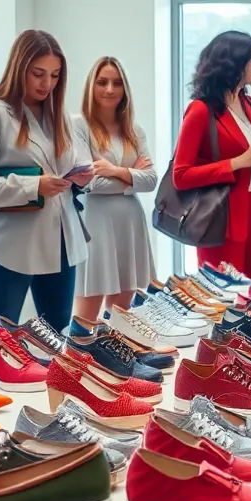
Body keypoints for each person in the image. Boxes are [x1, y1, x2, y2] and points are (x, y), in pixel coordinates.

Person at [0, 30, 94, 337]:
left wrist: (81, 179)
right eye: (38, 74)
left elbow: (76, 166)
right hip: (9, 245)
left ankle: (52, 387)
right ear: (19, 69)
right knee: (0, 342)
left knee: (57, 339)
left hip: (61, 241)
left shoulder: (61, 117)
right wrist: (33, 186)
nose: (47, 84)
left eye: (55, 75)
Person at [172, 30, 251, 279]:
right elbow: (181, 175)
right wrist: (236, 163)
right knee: (226, 299)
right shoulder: (200, 111)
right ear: (236, 64)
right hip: (222, 218)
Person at [73, 56, 157, 319]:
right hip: (93, 222)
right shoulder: (78, 125)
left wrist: (116, 171)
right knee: (85, 320)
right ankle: (81, 358)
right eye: (102, 82)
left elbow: (152, 180)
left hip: (129, 222)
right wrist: (133, 177)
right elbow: (89, 182)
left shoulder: (134, 129)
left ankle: (114, 357)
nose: (110, 89)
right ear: (91, 86)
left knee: (120, 319)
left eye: (117, 83)